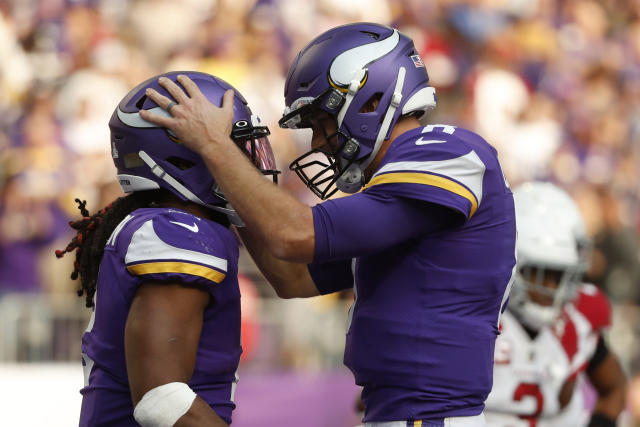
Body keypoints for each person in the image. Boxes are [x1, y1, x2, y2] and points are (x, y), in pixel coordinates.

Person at [140, 23, 516, 426]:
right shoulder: (394, 199)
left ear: (368, 100)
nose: (319, 143)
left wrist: (216, 147)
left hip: (432, 416)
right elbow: (292, 277)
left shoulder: (446, 148)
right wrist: (232, 183)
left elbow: (295, 236)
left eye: (322, 121)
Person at [55, 71, 279, 427]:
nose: (248, 160)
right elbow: (161, 399)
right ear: (185, 156)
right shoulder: (179, 232)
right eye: (231, 145)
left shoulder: (177, 226)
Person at [484, 182, 627, 427]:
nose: (551, 289)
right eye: (537, 273)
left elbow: (614, 388)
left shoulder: (580, 316)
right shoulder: (478, 313)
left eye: (560, 276)